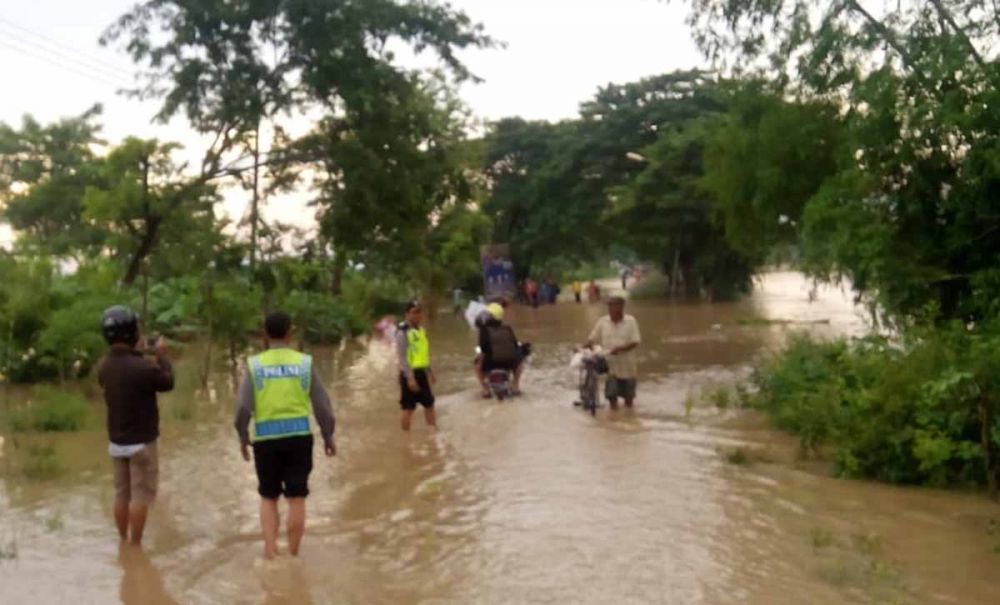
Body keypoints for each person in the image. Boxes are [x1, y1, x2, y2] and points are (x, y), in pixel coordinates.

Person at [234, 311, 336, 559]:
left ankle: (271, 551)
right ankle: (293, 553)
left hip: (266, 441)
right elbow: (322, 405)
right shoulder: (304, 363)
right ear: (290, 333)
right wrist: (328, 435)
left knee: (268, 496)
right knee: (297, 497)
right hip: (299, 438)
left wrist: (243, 436)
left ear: (265, 334)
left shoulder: (255, 365)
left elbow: (242, 409)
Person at [97, 305, 174, 547]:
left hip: (116, 442)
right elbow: (167, 382)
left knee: (122, 494)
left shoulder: (104, 367)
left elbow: (124, 372)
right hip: (141, 443)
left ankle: (122, 540)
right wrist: (162, 355)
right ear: (132, 332)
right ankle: (135, 545)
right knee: (140, 495)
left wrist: (138, 354)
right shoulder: (142, 367)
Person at [586, 296, 641, 409]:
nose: (611, 310)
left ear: (621, 308)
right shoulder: (603, 321)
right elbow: (592, 338)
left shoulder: (631, 321)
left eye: (614, 307)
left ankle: (628, 420)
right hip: (611, 367)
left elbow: (635, 342)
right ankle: (614, 419)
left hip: (628, 367)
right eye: (610, 307)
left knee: (628, 399)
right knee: (612, 396)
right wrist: (583, 347)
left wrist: (619, 349)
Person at [396, 300, 437, 431]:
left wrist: (430, 371)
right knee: (408, 408)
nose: (417, 315)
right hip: (409, 374)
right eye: (414, 312)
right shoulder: (402, 332)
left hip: (421, 373)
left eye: (419, 312)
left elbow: (424, 354)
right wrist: (410, 377)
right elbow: (402, 357)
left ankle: (433, 431)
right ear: (407, 314)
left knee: (429, 404)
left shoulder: (421, 331)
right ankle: (406, 437)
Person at [475, 303, 524, 397]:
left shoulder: (484, 330)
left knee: (476, 366)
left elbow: (483, 349)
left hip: (491, 363)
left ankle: (485, 390)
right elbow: (514, 345)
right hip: (509, 362)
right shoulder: (508, 328)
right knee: (520, 361)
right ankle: (516, 385)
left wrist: (479, 361)